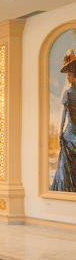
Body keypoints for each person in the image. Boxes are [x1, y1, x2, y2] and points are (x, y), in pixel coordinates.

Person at [52, 49, 76, 192]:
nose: (67, 78)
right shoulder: (67, 93)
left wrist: (61, 133)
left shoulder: (68, 94)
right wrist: (61, 133)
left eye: (69, 74)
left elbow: (63, 117)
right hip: (70, 132)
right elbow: (63, 116)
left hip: (70, 132)